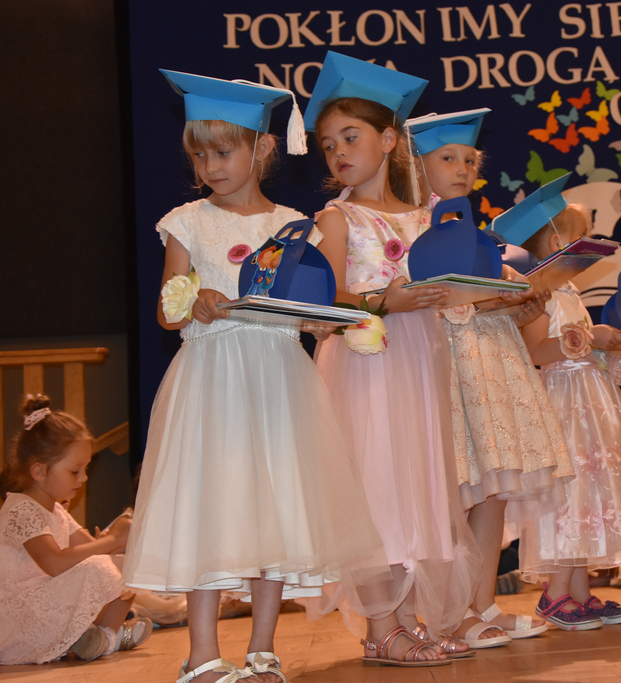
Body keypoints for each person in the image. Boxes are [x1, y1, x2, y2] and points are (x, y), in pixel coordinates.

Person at [121, 70, 385, 683]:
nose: (210, 166)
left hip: (277, 379)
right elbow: (166, 311)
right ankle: (201, 654)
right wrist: (196, 299)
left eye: (223, 151)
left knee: (275, 508)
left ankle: (263, 648)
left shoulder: (294, 223)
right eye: (199, 155)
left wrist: (325, 322)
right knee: (210, 506)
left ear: (262, 148)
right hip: (214, 378)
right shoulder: (187, 221)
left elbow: (308, 303)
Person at [303, 52, 480, 666]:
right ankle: (381, 624)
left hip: (419, 363)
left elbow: (450, 285)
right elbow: (323, 299)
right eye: (328, 145)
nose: (338, 152)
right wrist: (386, 300)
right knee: (377, 483)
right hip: (366, 365)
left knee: (418, 484)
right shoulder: (337, 218)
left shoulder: (426, 216)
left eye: (351, 137)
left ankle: (408, 618)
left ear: (387, 139)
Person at [406, 109, 564, 644]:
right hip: (444, 364)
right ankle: (450, 612)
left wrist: (523, 300)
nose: (461, 169)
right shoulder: (409, 229)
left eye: (469, 161)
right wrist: (490, 297)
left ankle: (482, 603)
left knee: (492, 489)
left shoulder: (479, 233)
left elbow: (504, 300)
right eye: (447, 158)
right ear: (417, 164)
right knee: (458, 491)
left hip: (490, 365)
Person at [517, 203, 621, 630]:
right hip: (565, 402)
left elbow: (583, 348)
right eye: (581, 238)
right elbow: (537, 350)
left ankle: (578, 591)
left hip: (590, 398)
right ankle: (554, 593)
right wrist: (589, 340)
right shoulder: (538, 290)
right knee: (570, 491)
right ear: (558, 243)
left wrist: (615, 351)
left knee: (589, 491)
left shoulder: (569, 291)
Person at [0, 395, 151, 665]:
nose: (84, 478)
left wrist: (116, 544)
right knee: (100, 567)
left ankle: (103, 638)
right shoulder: (21, 509)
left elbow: (92, 550)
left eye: (85, 469)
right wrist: (110, 540)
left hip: (41, 609)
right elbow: (54, 562)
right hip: (11, 623)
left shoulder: (57, 510)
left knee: (126, 566)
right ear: (39, 471)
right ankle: (92, 638)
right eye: (75, 471)